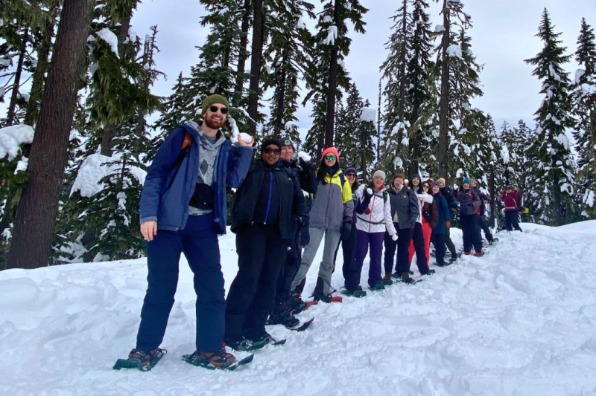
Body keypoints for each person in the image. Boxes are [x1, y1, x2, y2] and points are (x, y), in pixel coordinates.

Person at [131, 94, 253, 369]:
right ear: (204, 111)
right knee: (161, 288)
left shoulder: (224, 147)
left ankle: (209, 350)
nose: (218, 112)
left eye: (223, 110)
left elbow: (234, 180)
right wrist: (148, 214)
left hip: (203, 227)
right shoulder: (182, 137)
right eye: (214, 108)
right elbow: (157, 174)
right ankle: (145, 349)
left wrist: (245, 150)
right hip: (168, 224)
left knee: (212, 288)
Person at [224, 138, 308, 350]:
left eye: (275, 151)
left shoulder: (288, 175)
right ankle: (231, 329)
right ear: (261, 152)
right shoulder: (251, 171)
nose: (271, 154)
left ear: (281, 153)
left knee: (268, 282)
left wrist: (302, 223)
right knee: (248, 278)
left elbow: (299, 200)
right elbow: (232, 175)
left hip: (278, 234)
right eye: (267, 150)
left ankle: (255, 327)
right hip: (252, 232)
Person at [289, 147, 353, 303]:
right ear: (323, 158)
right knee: (307, 258)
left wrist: (348, 221)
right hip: (315, 222)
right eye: (327, 156)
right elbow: (305, 189)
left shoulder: (342, 179)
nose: (330, 159)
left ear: (337, 159)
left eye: (333, 156)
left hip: (335, 224)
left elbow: (348, 201)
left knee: (328, 260)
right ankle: (291, 290)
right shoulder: (317, 175)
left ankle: (322, 290)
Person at [268, 138, 317, 326]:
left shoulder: (296, 169)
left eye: (290, 148)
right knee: (281, 267)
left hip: (296, 225)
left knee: (294, 264)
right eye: (285, 148)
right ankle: (276, 308)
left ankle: (284, 301)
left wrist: (309, 170)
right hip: (280, 227)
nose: (288, 151)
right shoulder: (276, 168)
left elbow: (311, 188)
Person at [352, 170, 398, 290]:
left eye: (381, 179)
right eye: (376, 178)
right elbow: (355, 202)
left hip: (378, 229)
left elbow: (387, 214)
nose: (378, 180)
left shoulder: (385, 195)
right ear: (373, 178)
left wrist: (392, 231)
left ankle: (375, 280)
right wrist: (363, 206)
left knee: (376, 255)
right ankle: (353, 282)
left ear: (384, 181)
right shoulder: (363, 188)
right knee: (359, 254)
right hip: (362, 226)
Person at [336, 167, 366, 297]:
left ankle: (352, 284)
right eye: (349, 174)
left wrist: (368, 199)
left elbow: (359, 210)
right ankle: (322, 286)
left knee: (350, 255)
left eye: (354, 175)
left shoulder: (356, 192)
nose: (352, 177)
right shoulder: (338, 186)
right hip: (336, 224)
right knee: (330, 256)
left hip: (351, 226)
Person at [384, 173, 419, 283]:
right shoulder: (387, 193)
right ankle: (387, 273)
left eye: (401, 180)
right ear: (393, 181)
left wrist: (412, 221)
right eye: (396, 180)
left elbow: (415, 208)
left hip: (405, 226)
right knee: (389, 250)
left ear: (404, 182)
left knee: (403, 250)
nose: (398, 182)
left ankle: (403, 272)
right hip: (390, 226)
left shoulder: (408, 192)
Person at [406, 175, 436, 278]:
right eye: (414, 178)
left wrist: (417, 195)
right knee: (407, 246)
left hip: (418, 221)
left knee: (420, 246)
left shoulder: (421, 193)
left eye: (417, 179)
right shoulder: (406, 190)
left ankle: (424, 268)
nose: (415, 180)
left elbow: (430, 199)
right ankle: (404, 268)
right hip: (407, 221)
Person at [458, 177, 484, 256]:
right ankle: (467, 250)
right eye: (464, 183)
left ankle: (478, 250)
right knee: (465, 232)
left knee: (474, 232)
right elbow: (456, 201)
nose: (465, 185)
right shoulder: (460, 193)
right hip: (463, 215)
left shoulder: (472, 192)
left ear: (469, 184)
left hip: (472, 215)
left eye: (467, 183)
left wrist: (472, 204)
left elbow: (479, 201)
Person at [436, 178, 459, 262]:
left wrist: (452, 211)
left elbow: (453, 202)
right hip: (438, 218)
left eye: (442, 183)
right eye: (439, 183)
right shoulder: (437, 192)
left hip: (446, 217)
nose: (440, 185)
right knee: (439, 236)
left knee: (445, 235)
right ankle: (443, 250)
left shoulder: (446, 192)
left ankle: (453, 253)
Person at [431, 182, 452, 266]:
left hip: (440, 223)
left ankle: (440, 260)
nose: (435, 188)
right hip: (431, 223)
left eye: (437, 187)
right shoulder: (429, 197)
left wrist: (448, 219)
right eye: (434, 187)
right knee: (433, 241)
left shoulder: (441, 198)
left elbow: (446, 209)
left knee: (440, 242)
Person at [470, 178, 496, 244]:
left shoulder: (479, 192)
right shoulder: (470, 192)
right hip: (473, 213)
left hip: (480, 212)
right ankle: (478, 241)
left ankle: (489, 239)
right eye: (471, 182)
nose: (473, 183)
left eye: (474, 182)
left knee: (484, 227)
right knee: (477, 228)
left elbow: (485, 197)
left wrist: (487, 199)